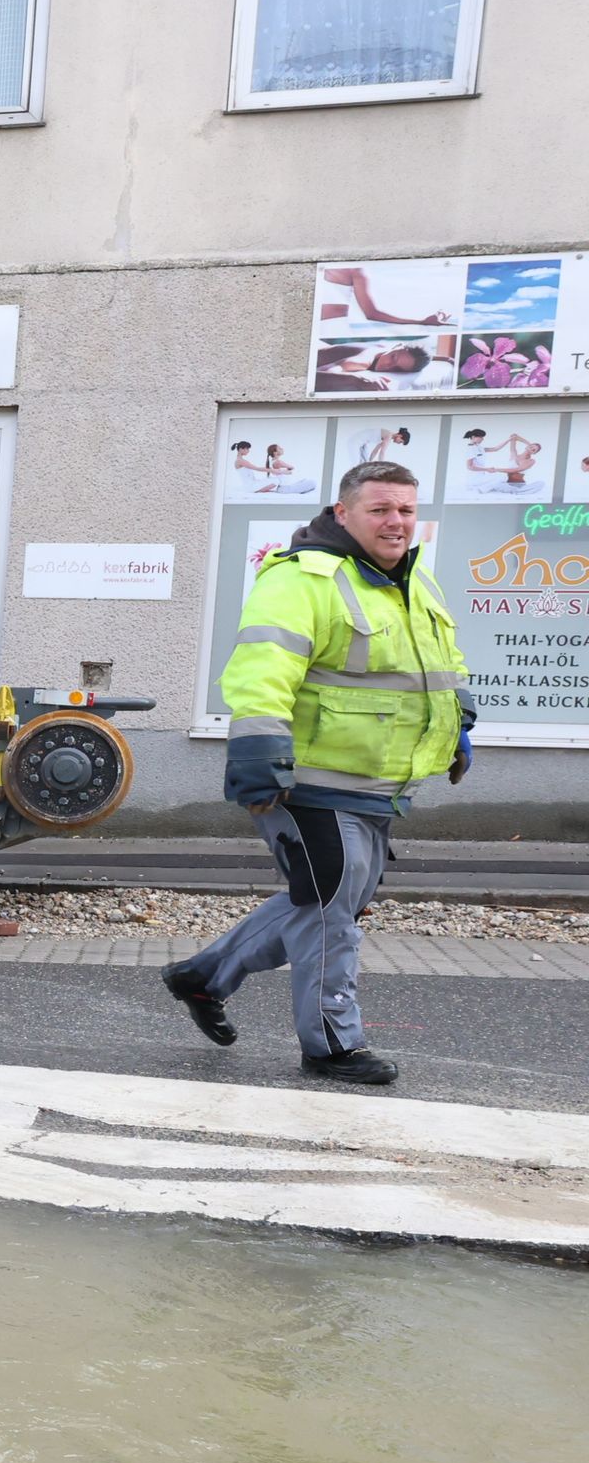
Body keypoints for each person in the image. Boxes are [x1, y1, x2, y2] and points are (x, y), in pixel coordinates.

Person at [164, 459, 472, 1085]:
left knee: (328, 900)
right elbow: (262, 673)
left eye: (406, 510)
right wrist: (259, 757)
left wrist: (457, 724)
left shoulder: (417, 581)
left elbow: (445, 666)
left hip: (381, 785)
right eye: (380, 509)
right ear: (342, 513)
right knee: (331, 907)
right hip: (307, 780)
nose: (395, 522)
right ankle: (332, 1043)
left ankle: (203, 976)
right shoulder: (302, 578)